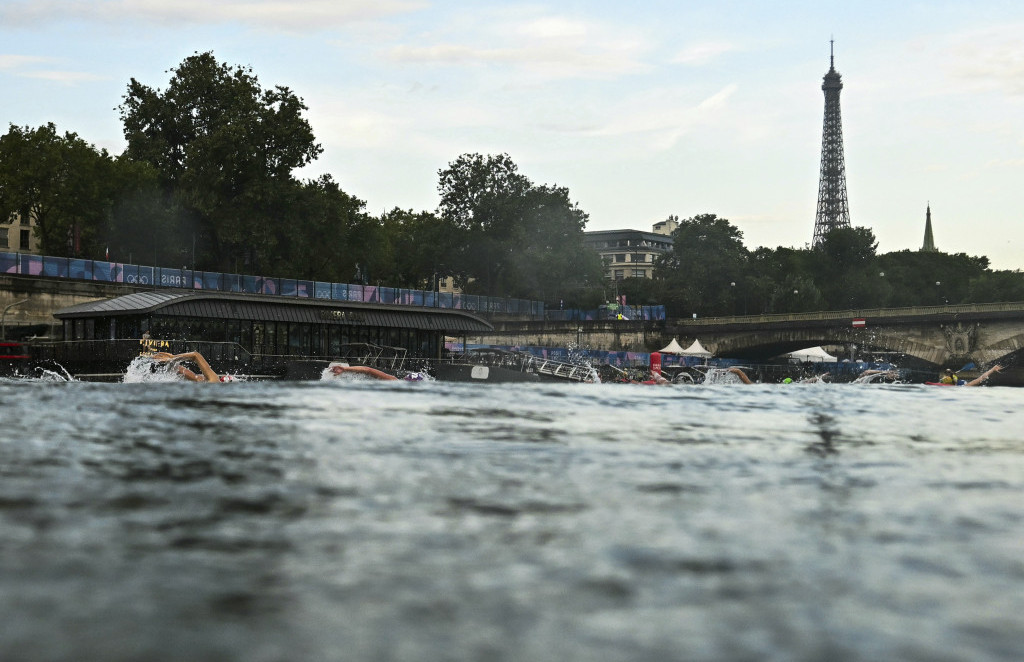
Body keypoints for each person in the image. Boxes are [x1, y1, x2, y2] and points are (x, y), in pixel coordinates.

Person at [150, 351, 232, 383]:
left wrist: (172, 358)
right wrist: (174, 366)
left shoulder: (214, 381)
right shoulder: (208, 382)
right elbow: (194, 377)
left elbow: (195, 355)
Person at [327, 362, 398, 381]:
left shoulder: (395, 382)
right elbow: (368, 370)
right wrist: (345, 369)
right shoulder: (395, 382)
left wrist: (345, 369)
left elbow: (368, 370)